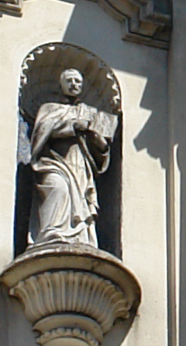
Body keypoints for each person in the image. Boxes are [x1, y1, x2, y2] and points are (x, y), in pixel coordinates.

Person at [21, 66, 117, 251]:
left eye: (77, 81)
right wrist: (73, 126)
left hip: (80, 166)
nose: (74, 84)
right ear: (61, 85)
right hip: (54, 163)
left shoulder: (91, 113)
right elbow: (41, 133)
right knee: (58, 189)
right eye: (69, 81)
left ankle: (80, 241)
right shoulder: (50, 108)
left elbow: (102, 150)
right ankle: (51, 235)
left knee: (80, 203)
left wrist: (94, 135)